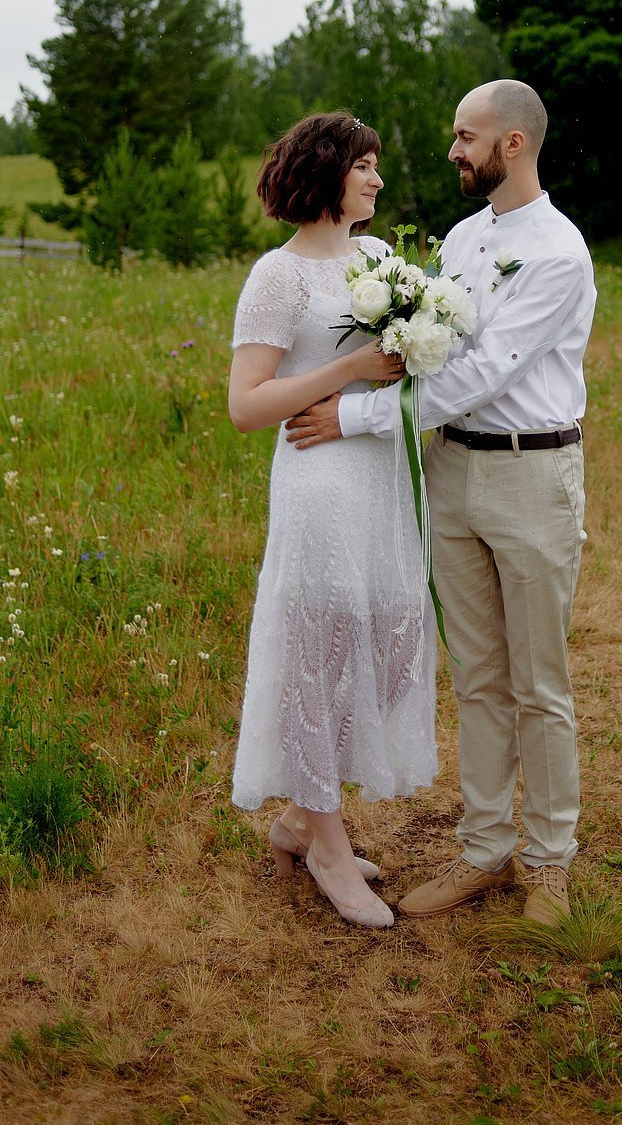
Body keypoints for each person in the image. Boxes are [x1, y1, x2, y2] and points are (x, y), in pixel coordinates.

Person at [284, 80, 596, 925]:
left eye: (466, 136)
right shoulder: (462, 238)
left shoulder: (559, 253)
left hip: (531, 474)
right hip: (451, 472)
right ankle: (484, 851)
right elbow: (431, 356)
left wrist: (353, 416)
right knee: (480, 677)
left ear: (513, 144)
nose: (454, 150)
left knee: (539, 681)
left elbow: (481, 373)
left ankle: (549, 863)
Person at [228, 110, 438, 931]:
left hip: (382, 476)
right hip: (317, 481)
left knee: (392, 638)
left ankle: (299, 819)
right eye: (364, 166)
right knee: (317, 656)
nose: (378, 179)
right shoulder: (277, 277)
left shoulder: (381, 260)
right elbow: (247, 407)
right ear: (325, 172)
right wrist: (347, 367)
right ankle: (329, 848)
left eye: (377, 165)